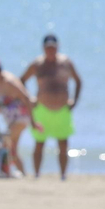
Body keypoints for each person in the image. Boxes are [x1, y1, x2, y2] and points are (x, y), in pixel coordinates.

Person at [20, 34, 82, 179]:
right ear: (43, 48)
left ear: (58, 47)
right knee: (39, 143)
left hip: (63, 109)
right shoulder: (37, 64)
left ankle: (63, 175)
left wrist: (75, 100)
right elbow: (21, 81)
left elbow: (79, 81)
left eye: (53, 48)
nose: (51, 50)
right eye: (48, 48)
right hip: (42, 109)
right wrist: (30, 99)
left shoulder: (66, 63)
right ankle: (36, 174)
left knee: (63, 144)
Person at [0, 58, 39, 177]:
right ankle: (22, 174)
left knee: (5, 142)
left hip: (20, 119)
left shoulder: (10, 81)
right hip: (11, 121)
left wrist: (33, 122)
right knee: (12, 148)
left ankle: (1, 171)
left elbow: (27, 98)